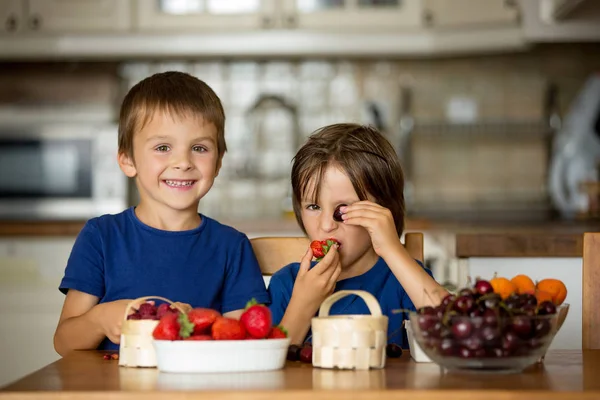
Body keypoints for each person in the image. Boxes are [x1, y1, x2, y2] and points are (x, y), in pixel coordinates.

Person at [54, 71, 269, 355]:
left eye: (199, 148)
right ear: (128, 160)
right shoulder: (102, 237)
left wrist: (197, 324)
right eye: (163, 147)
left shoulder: (232, 246)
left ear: (218, 163)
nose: (183, 162)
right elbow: (64, 342)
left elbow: (244, 343)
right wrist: (99, 320)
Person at [268, 123, 448, 347]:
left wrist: (393, 250)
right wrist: (302, 305)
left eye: (342, 209)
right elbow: (269, 369)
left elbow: (456, 332)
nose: (325, 226)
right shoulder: (287, 285)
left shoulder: (402, 279)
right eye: (313, 207)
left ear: (383, 213)